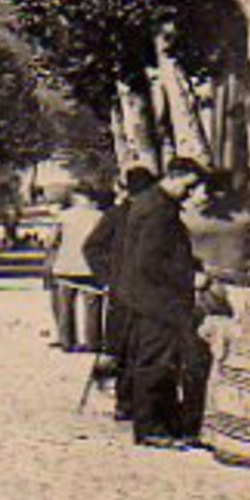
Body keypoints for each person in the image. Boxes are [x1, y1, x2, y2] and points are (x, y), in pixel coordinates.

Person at [113, 157, 214, 449]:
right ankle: (150, 428)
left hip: (148, 297)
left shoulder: (151, 203)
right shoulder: (159, 211)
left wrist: (190, 262)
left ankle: (168, 426)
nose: (191, 193)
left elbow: (162, 252)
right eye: (189, 185)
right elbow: (150, 260)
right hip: (158, 300)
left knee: (162, 361)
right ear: (175, 175)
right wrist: (190, 277)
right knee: (157, 363)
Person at [84, 166, 157, 423]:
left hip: (143, 292)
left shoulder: (149, 214)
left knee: (135, 348)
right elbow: (92, 248)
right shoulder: (117, 216)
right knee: (126, 347)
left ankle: (134, 403)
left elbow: (91, 249)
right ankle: (126, 403)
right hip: (124, 293)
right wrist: (108, 278)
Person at [48, 190, 104, 351]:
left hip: (66, 265)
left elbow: (52, 241)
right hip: (89, 267)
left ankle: (67, 342)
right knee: (93, 306)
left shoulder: (63, 217)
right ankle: (93, 342)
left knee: (65, 306)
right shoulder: (98, 216)